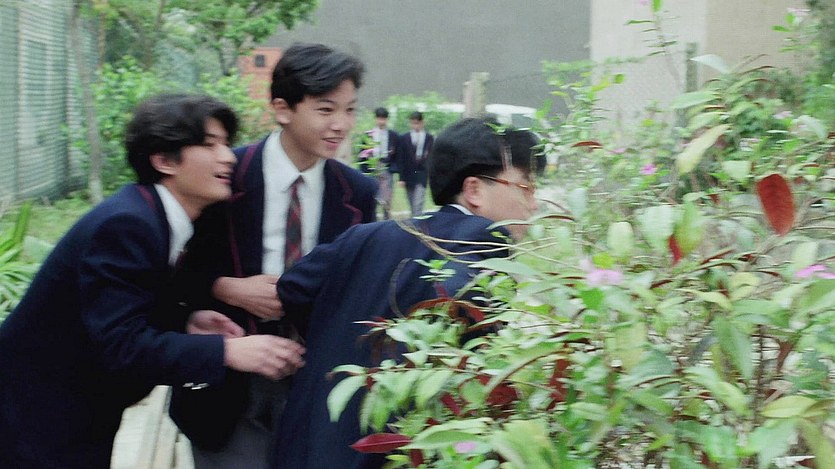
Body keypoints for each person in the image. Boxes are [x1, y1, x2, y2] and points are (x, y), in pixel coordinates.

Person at [0, 94, 304, 469]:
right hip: (35, 417)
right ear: (163, 161)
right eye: (209, 145)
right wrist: (228, 351)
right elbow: (122, 344)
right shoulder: (127, 225)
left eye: (226, 143)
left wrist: (185, 322)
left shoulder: (152, 216)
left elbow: (120, 308)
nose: (228, 157)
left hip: (67, 410)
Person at [272, 117, 540, 469]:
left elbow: (292, 287)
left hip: (305, 442)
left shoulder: (367, 236)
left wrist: (335, 338)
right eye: (525, 187)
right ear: (474, 189)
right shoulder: (484, 248)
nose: (533, 204)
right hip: (384, 452)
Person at [170, 42, 377, 468]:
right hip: (227, 381)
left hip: (311, 380)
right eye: (325, 110)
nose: (341, 124)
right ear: (283, 109)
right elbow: (168, 271)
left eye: (350, 110)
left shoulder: (358, 193)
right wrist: (225, 288)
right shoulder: (221, 176)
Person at [358, 107, 400, 219]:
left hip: (386, 168)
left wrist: (392, 169)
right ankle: (373, 222)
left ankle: (386, 222)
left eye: (384, 119)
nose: (381, 121)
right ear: (375, 119)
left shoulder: (393, 135)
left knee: (387, 200)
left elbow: (398, 155)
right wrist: (363, 171)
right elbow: (362, 154)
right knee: (373, 198)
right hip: (372, 168)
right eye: (379, 118)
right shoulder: (368, 135)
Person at [397, 111, 434, 216]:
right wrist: (401, 178)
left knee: (418, 203)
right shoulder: (404, 138)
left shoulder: (429, 138)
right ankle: (415, 221)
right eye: (413, 123)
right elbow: (401, 158)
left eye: (417, 123)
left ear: (422, 123)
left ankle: (417, 222)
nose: (415, 126)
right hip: (408, 174)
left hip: (422, 173)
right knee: (412, 203)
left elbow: (431, 156)